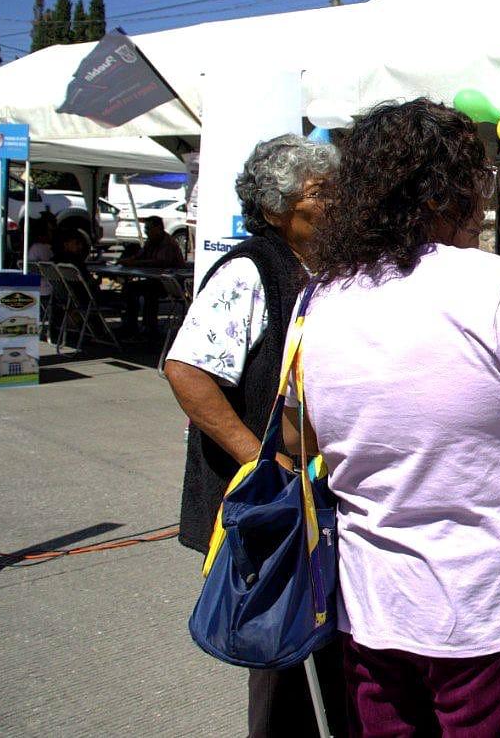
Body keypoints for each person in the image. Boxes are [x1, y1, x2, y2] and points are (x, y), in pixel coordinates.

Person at [279, 99, 500, 737]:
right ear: (452, 191)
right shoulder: (497, 285)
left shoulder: (320, 298)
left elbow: (296, 434)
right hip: (488, 610)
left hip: (371, 604)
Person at [163, 134, 348, 737]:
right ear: (276, 207)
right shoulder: (249, 268)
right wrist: (259, 461)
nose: (335, 202)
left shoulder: (323, 267)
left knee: (326, 640)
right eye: (320, 193)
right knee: (277, 646)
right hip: (273, 500)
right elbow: (187, 369)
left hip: (317, 495)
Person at [117, 215, 186, 338]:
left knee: (148, 293)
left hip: (170, 284)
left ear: (158, 228)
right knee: (130, 288)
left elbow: (160, 262)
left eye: (149, 229)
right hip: (154, 280)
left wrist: (135, 263)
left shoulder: (168, 243)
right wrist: (127, 260)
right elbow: (140, 256)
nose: (146, 232)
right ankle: (130, 325)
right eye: (146, 229)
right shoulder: (150, 242)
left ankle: (149, 328)